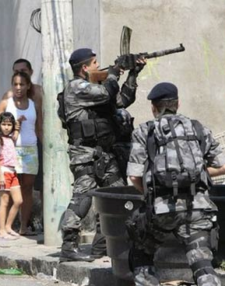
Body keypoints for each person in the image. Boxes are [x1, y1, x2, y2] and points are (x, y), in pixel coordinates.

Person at [126, 82, 225, 286]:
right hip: (197, 208)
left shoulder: (145, 131)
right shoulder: (198, 128)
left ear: (153, 107)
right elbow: (223, 165)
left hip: (161, 211)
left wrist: (152, 194)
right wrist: (199, 175)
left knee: (141, 254)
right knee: (202, 263)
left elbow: (134, 177)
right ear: (177, 104)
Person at [58, 48, 145, 262]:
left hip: (107, 154)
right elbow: (107, 92)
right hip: (85, 154)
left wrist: (134, 73)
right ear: (85, 67)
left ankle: (103, 247)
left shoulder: (95, 90)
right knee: (83, 200)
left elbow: (122, 99)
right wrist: (116, 70)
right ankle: (68, 247)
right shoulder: (77, 88)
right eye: (95, 63)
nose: (99, 66)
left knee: (116, 199)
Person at [0, 59, 44, 234]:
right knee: (9, 190)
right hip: (11, 152)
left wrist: (46, 150)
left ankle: (24, 226)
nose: (18, 87)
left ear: (27, 85)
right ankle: (5, 227)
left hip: (30, 150)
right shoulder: (5, 102)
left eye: (22, 84)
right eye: (15, 84)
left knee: (28, 188)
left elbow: (39, 129)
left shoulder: (35, 103)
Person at [0, 112, 23, 240]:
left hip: (13, 172)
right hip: (3, 172)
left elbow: (16, 133)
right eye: (4, 124)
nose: (6, 127)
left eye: (9, 124)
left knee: (18, 201)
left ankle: (8, 226)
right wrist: (0, 174)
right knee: (4, 202)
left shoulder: (11, 138)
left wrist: (18, 124)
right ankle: (1, 231)